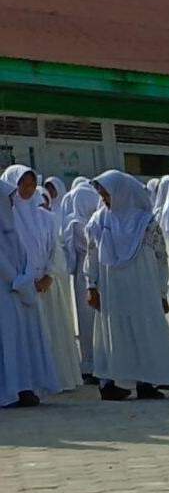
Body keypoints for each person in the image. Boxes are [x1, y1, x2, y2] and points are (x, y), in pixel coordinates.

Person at [83, 170, 169, 401]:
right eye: (103, 195)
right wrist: (91, 285)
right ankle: (110, 384)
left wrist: (161, 292)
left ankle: (146, 382)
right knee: (113, 333)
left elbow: (160, 259)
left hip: (143, 289)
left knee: (144, 332)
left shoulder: (146, 223)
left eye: (108, 195)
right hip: (112, 290)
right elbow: (92, 255)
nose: (105, 200)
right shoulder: (99, 221)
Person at [0, 167, 65, 406]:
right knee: (8, 342)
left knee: (25, 342)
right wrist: (20, 282)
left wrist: (30, 278)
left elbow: (27, 255)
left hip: (22, 293)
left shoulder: (12, 226)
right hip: (9, 293)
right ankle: (12, 390)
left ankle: (25, 387)